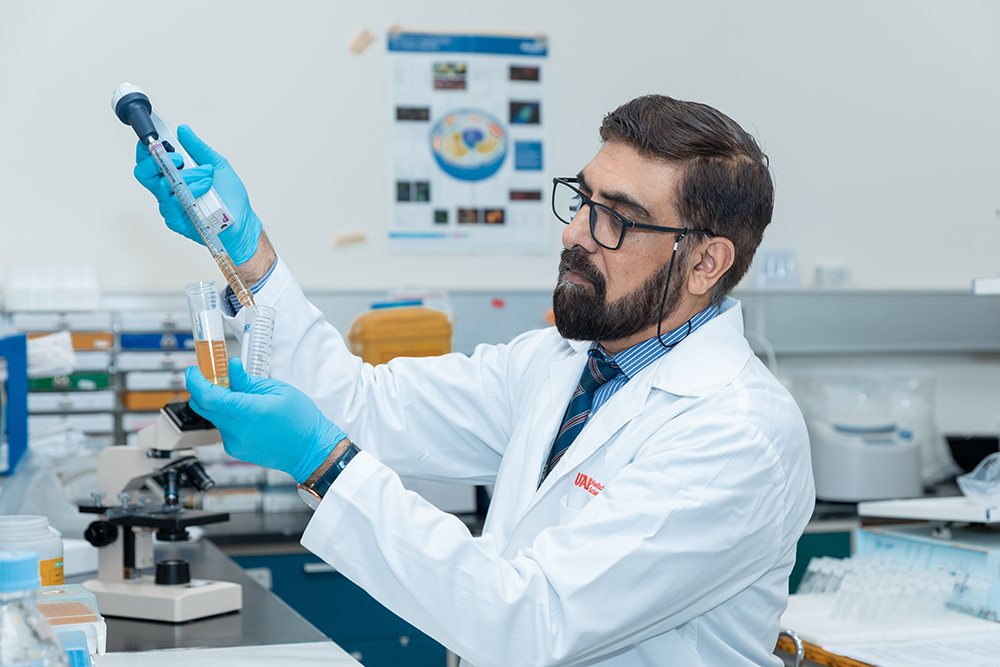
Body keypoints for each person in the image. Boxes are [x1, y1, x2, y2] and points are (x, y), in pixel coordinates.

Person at [132, 94, 815, 667]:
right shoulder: (558, 363)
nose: (575, 233)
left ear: (704, 264)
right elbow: (362, 406)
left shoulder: (737, 432)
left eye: (615, 217)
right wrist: (246, 253)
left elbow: (534, 618)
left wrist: (325, 465)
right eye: (581, 199)